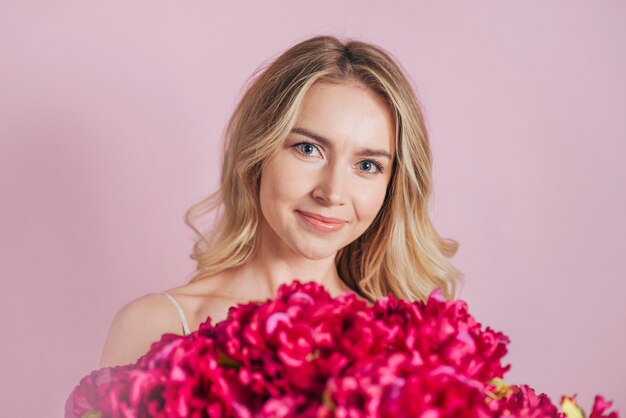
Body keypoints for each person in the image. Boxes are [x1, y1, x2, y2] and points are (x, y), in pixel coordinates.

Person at [99, 35, 462, 368]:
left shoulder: (407, 344)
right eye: (308, 149)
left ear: (391, 186)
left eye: (367, 165)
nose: (332, 193)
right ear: (258, 153)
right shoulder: (156, 325)